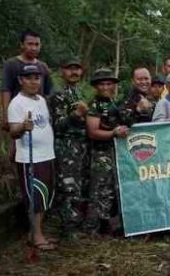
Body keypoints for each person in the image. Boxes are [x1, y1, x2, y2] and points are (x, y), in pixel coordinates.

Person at [7, 64, 56, 250]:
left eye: (37, 77)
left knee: (44, 195)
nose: (34, 81)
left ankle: (36, 233)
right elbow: (13, 132)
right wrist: (22, 127)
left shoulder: (41, 100)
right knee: (34, 197)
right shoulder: (17, 103)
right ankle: (36, 237)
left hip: (46, 156)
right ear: (21, 80)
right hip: (30, 159)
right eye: (29, 77)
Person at [48, 57, 90, 235]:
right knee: (68, 186)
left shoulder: (81, 94)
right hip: (66, 146)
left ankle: (77, 223)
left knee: (80, 184)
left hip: (82, 146)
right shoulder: (58, 95)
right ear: (62, 72)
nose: (74, 72)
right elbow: (58, 125)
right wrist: (76, 114)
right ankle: (68, 227)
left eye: (77, 69)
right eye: (69, 69)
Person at [86, 68, 131, 235]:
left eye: (109, 83)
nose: (105, 87)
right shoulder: (95, 105)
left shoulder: (117, 103)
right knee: (100, 189)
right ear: (96, 86)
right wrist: (113, 133)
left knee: (116, 188)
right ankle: (94, 228)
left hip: (119, 153)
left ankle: (111, 225)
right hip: (101, 154)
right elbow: (93, 132)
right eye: (102, 84)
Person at [1, 30, 54, 130]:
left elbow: (49, 92)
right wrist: (5, 115)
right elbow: (6, 90)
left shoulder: (42, 67)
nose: (34, 48)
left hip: (39, 117)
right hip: (18, 114)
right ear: (22, 45)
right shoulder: (11, 64)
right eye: (30, 44)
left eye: (37, 44)